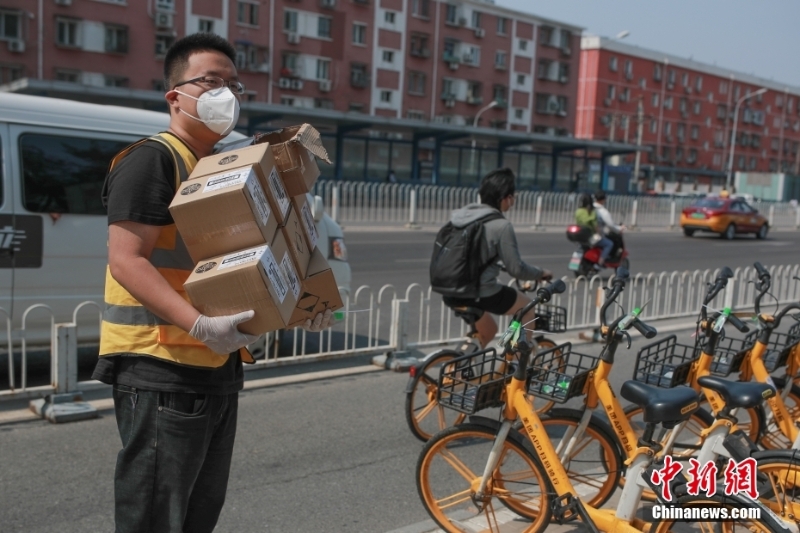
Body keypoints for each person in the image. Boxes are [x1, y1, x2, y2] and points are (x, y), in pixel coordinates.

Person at [92, 33, 332, 533]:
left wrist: (302, 306)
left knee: (198, 516)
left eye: (233, 84)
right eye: (210, 81)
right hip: (162, 365)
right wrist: (199, 324)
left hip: (214, 365)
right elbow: (126, 260)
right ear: (174, 95)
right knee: (156, 518)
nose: (226, 93)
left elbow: (245, 266)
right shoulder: (153, 160)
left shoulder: (223, 172)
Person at [441, 168, 552, 348]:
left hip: (451, 290)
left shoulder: (460, 218)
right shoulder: (501, 226)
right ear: (505, 198)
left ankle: (460, 365)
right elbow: (517, 269)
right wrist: (541, 272)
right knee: (528, 308)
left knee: (489, 331)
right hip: (479, 292)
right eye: (513, 196)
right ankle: (517, 365)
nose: (513, 202)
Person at [574, 193, 613, 269]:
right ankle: (600, 262)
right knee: (609, 244)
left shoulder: (578, 211)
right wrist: (599, 235)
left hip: (580, 236)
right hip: (590, 237)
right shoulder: (592, 212)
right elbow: (595, 226)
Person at [593, 190, 625, 260]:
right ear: (603, 200)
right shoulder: (603, 211)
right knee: (610, 244)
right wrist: (620, 228)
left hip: (587, 234)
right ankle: (601, 261)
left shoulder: (590, 208)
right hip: (596, 235)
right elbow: (611, 225)